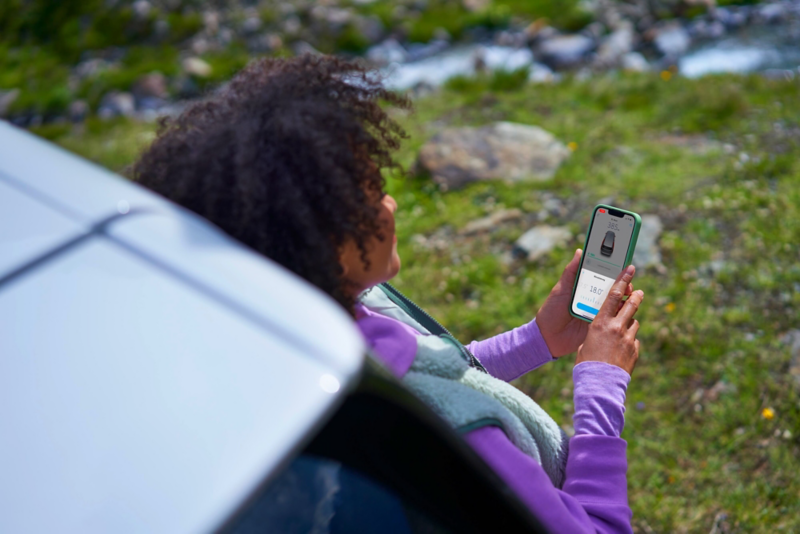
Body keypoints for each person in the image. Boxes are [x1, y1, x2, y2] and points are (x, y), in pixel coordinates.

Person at [132, 55, 643, 533]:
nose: (391, 204)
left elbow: (430, 376)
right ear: (323, 240)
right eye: (371, 193)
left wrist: (536, 340)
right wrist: (601, 383)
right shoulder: (458, 433)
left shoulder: (300, 330)